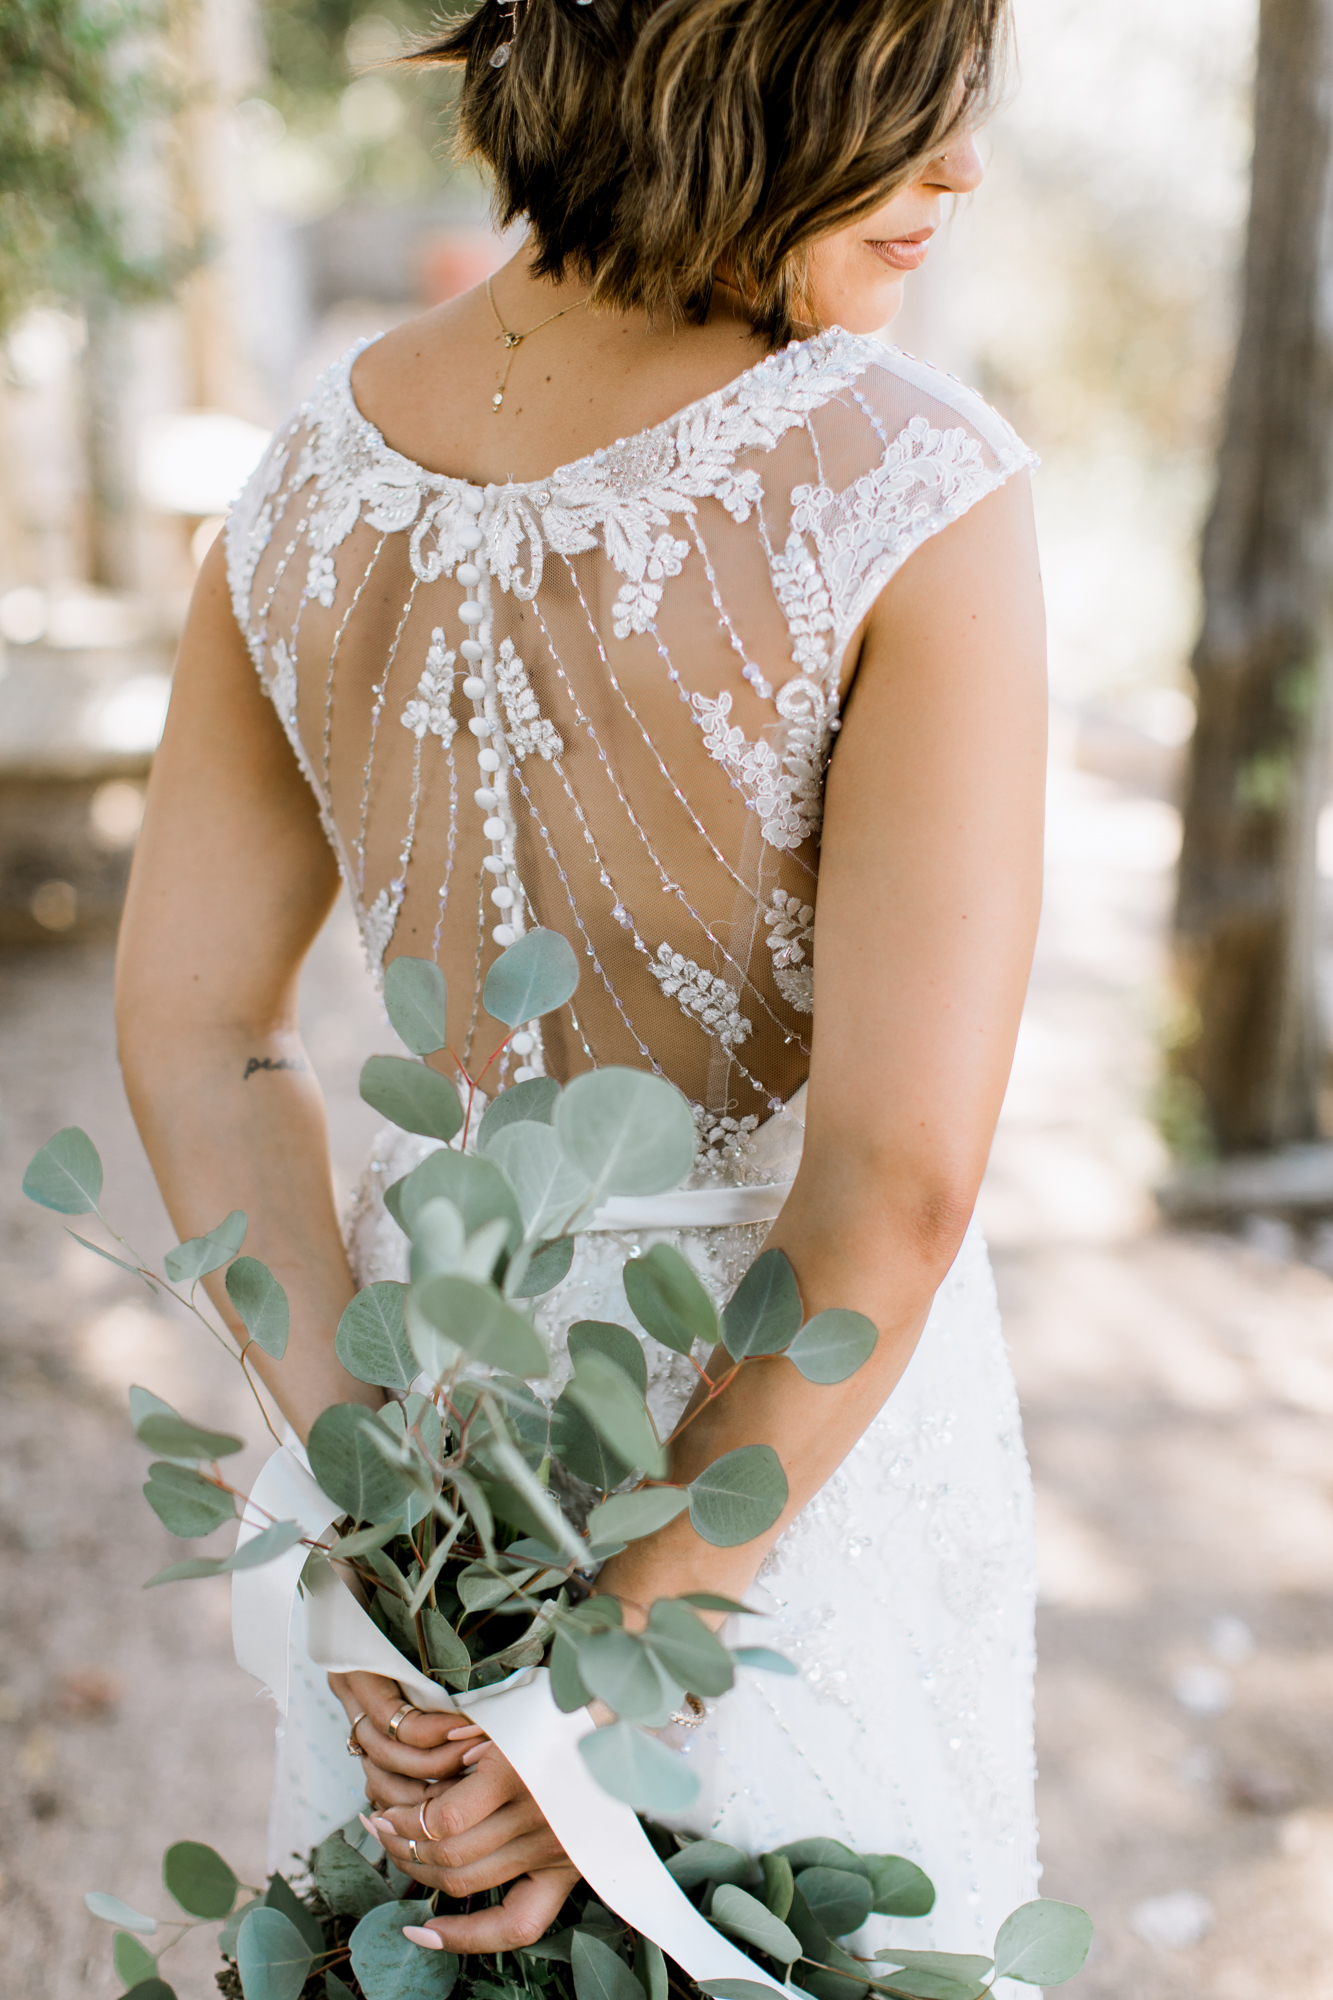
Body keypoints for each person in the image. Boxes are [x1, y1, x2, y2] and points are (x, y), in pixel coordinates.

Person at [116, 0, 1046, 1974]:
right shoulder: (915, 494)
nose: (961, 165)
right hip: (779, 1492)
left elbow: (198, 1033)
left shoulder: (302, 487)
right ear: (742, 52)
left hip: (435, 1426)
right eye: (913, 84)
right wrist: (598, 1685)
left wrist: (376, 1514)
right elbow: (891, 1179)